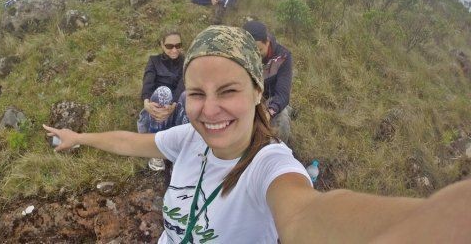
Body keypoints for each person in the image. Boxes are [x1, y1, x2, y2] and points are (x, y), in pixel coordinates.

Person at [43, 25, 471, 244]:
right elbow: (133, 142)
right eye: (196, 94)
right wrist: (79, 137)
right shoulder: (189, 139)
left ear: (256, 91)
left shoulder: (271, 165)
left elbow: (308, 214)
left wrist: (431, 221)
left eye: (227, 91)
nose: (208, 110)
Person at [138, 30, 188, 171]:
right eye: (169, 46)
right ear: (162, 45)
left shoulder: (186, 62)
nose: (174, 49)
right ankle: (156, 151)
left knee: (187, 95)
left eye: (178, 45)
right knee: (163, 91)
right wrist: (146, 102)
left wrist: (173, 105)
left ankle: (180, 153)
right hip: (156, 110)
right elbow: (148, 82)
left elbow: (182, 85)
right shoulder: (154, 61)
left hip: (174, 108)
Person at [243, 21, 293, 143]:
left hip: (269, 100)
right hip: (246, 96)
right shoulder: (239, 53)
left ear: (267, 42)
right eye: (251, 51)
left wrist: (269, 112)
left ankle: (277, 153)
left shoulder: (283, 57)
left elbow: (282, 95)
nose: (255, 56)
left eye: (259, 50)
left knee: (282, 120)